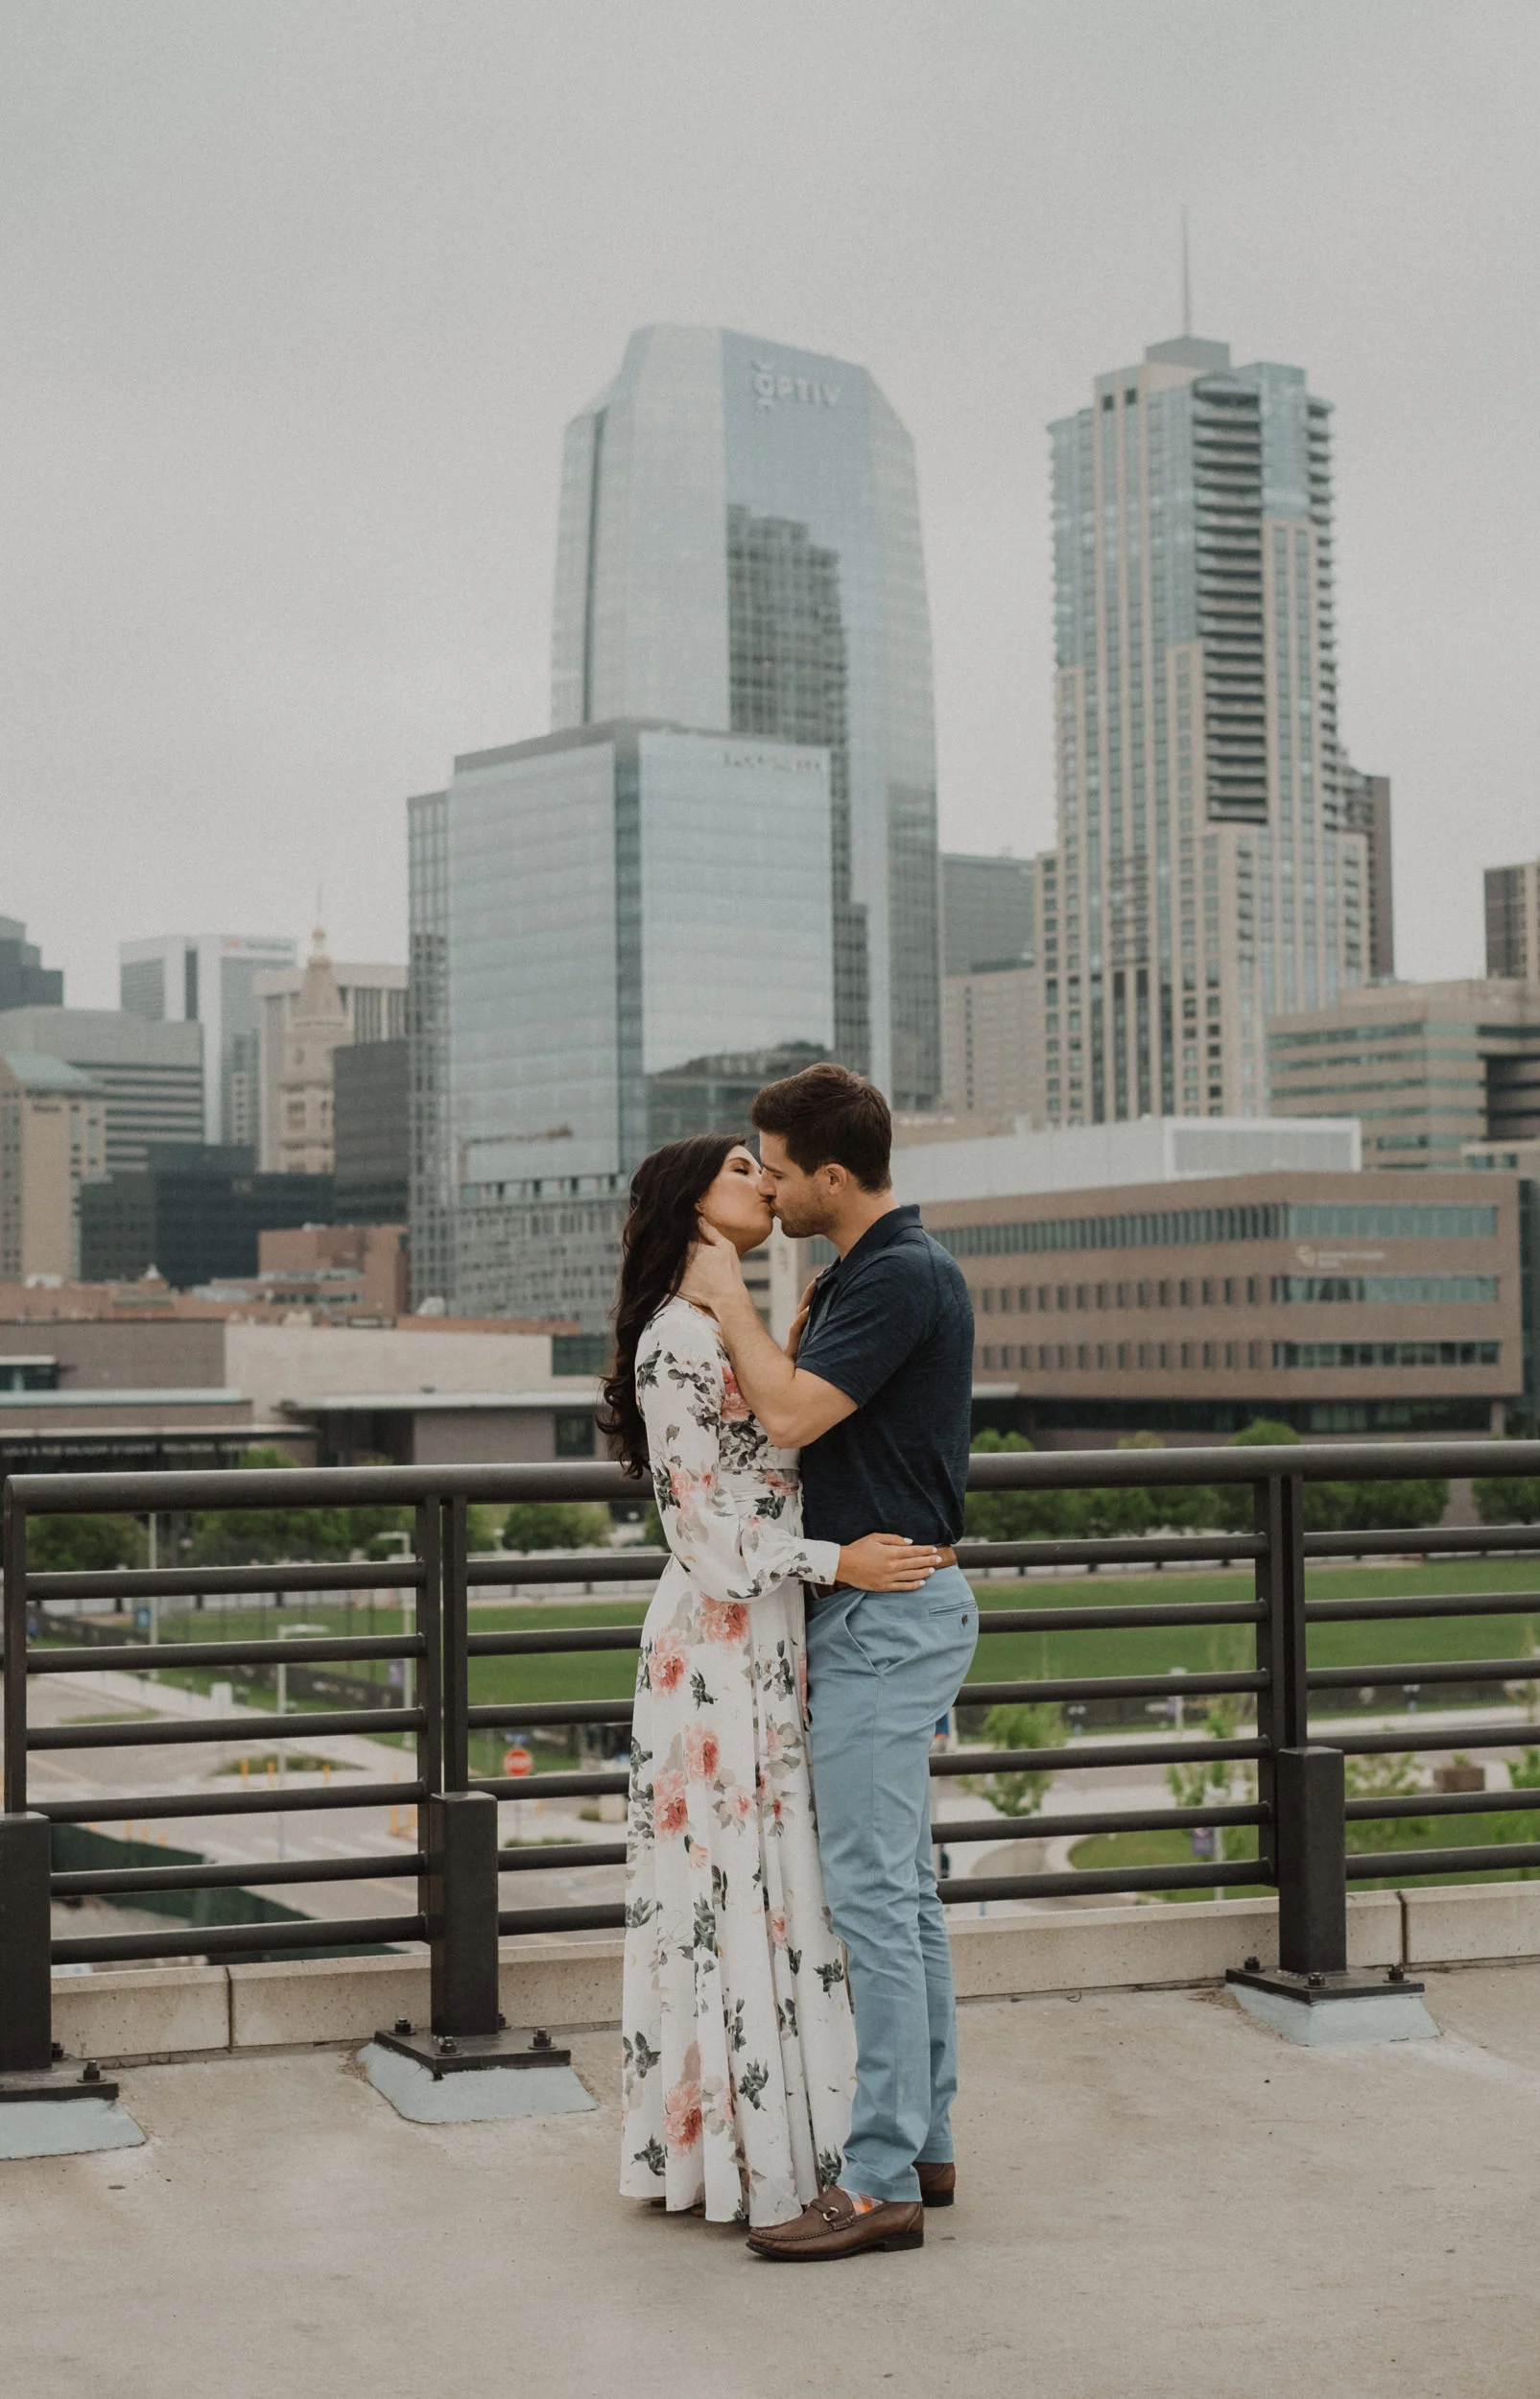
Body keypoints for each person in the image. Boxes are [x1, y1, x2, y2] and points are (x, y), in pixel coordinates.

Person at [602, 1132, 947, 2229]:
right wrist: (833, 1561)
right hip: (717, 1641)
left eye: (772, 1164)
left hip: (773, 1637)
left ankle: (828, 2138)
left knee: (787, 1889)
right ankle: (745, 2152)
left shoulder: (736, 1331)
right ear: (695, 1208)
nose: (765, 1180)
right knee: (728, 1887)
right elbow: (700, 1531)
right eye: (742, 1169)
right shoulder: (675, 1340)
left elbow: (787, 1443)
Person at [680, 1063, 977, 2263]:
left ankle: (877, 2180)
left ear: (837, 1175)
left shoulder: (901, 1274)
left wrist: (724, 1292)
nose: (773, 1187)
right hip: (890, 1609)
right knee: (902, 1896)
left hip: (891, 1617)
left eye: (784, 1168)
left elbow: (795, 1416)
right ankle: (924, 2144)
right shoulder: (871, 1270)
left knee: (874, 1904)